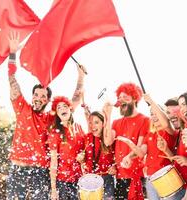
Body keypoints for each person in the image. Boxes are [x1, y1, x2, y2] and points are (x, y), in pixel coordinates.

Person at [6, 31, 85, 200]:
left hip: (40, 172)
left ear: (48, 100)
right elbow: (12, 81)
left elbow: (75, 101)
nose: (39, 98)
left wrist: (80, 77)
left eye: (43, 96)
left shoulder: (51, 117)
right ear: (32, 96)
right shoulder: (22, 108)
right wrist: (12, 53)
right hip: (18, 169)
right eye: (37, 95)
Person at [117, 107, 176, 200]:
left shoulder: (169, 131)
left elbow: (166, 124)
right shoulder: (149, 135)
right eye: (152, 114)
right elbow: (141, 153)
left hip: (166, 176)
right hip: (150, 177)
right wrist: (130, 143)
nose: (154, 116)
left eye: (156, 113)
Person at [103, 82, 150, 200]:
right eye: (119, 98)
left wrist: (129, 156)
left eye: (125, 97)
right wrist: (107, 116)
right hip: (120, 177)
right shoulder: (116, 122)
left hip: (137, 177)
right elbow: (108, 141)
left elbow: (139, 148)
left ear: (134, 98)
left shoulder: (145, 120)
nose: (121, 100)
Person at [48, 96, 86, 200]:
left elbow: (86, 150)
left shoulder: (79, 127)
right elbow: (54, 162)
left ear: (70, 108)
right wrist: (54, 189)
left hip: (79, 180)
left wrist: (83, 154)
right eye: (58, 108)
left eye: (65, 106)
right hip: (63, 182)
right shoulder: (55, 133)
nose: (62, 109)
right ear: (57, 113)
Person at [83, 111, 116, 199]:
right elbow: (82, 158)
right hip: (89, 180)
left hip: (106, 179)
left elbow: (118, 157)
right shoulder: (87, 138)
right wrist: (81, 159)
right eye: (91, 122)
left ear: (103, 123)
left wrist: (115, 167)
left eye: (96, 122)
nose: (93, 126)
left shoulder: (109, 138)